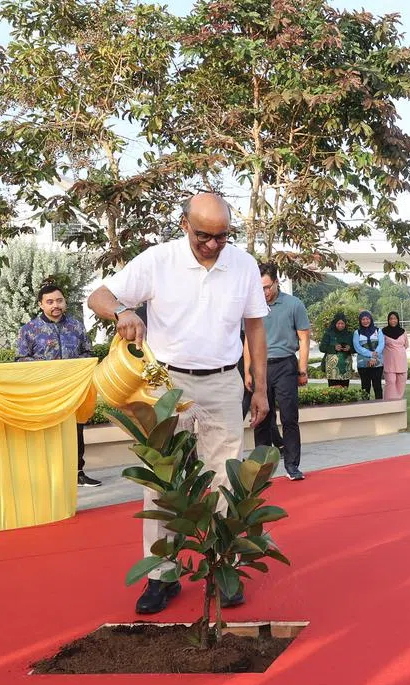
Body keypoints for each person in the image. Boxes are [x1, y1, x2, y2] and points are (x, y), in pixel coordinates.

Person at [88, 192, 269, 615]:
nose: (212, 244)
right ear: (184, 224)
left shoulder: (242, 264)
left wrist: (259, 387)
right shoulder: (158, 260)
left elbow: (255, 329)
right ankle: (161, 575)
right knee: (163, 483)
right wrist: (121, 313)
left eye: (222, 236)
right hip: (165, 383)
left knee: (225, 476)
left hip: (224, 382)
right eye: (204, 235)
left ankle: (223, 568)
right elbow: (98, 295)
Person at [16, 281, 101, 488]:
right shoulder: (29, 330)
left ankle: (77, 473)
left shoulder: (76, 326)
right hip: (45, 391)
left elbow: (88, 353)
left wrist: (76, 366)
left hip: (73, 389)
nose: (56, 305)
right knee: (47, 432)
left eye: (59, 300)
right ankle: (45, 477)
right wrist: (49, 367)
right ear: (41, 305)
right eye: (50, 301)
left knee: (76, 430)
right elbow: (20, 359)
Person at [243, 263, 310, 481]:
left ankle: (292, 465)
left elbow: (304, 338)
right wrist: (248, 371)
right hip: (260, 367)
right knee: (261, 418)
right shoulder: (252, 306)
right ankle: (262, 468)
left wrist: (302, 369)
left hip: (286, 366)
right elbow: (248, 342)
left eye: (266, 287)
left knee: (290, 417)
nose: (264, 292)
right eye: (259, 288)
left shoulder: (294, 304)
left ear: (276, 282)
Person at [353, 310, 385, 400]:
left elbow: (381, 344)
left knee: (377, 386)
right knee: (365, 387)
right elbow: (357, 347)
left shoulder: (378, 331)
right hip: (363, 364)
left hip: (377, 363)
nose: (365, 321)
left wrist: (374, 357)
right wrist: (371, 354)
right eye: (363, 319)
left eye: (367, 319)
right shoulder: (357, 333)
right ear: (360, 320)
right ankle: (365, 408)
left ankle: (379, 407)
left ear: (370, 319)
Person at [319, 314, 355, 387]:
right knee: (333, 391)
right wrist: (333, 348)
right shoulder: (328, 333)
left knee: (345, 391)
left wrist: (349, 348)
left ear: (345, 324)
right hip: (332, 369)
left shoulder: (349, 334)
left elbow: (355, 349)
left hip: (345, 368)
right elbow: (322, 347)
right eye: (338, 323)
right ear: (335, 323)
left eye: (342, 323)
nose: (340, 325)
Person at [382, 311, 409, 400]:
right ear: (388, 320)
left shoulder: (403, 331)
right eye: (391, 319)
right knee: (390, 382)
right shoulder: (383, 332)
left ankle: (398, 404)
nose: (393, 320)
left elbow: (406, 345)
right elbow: (381, 346)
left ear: (398, 320)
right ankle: (388, 404)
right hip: (389, 362)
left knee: (401, 382)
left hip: (401, 362)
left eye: (395, 318)